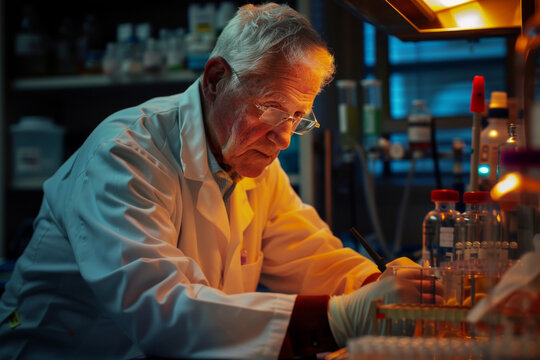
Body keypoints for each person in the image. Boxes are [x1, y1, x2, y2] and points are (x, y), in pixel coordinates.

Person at [0, 3, 430, 359]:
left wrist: (379, 287)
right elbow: (159, 308)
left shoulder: (253, 160)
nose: (283, 138)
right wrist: (341, 318)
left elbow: (308, 254)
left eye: (298, 118)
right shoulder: (125, 155)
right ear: (215, 79)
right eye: (273, 109)